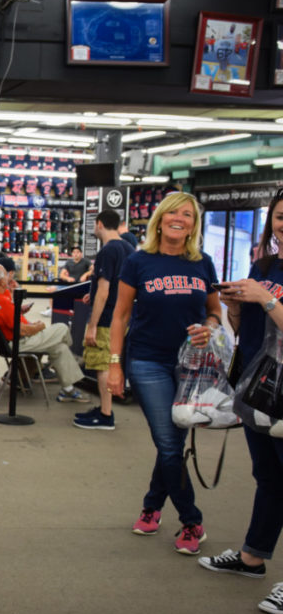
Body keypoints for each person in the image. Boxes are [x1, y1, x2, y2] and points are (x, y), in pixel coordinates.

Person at [108, 192, 220, 555]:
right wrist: (114, 365)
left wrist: (210, 326)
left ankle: (152, 506)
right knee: (170, 442)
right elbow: (121, 315)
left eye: (187, 214)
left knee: (170, 441)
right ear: (159, 218)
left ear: (193, 225)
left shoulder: (203, 263)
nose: (179, 218)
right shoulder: (139, 261)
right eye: (173, 212)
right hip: (148, 361)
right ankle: (192, 520)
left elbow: (214, 312)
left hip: (193, 367)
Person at [197, 189, 283, 614]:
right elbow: (245, 326)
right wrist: (234, 306)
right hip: (256, 385)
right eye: (281, 217)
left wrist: (266, 299)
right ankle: (252, 557)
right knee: (267, 476)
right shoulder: (265, 265)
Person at [0, 262, 87, 402]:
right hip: (19, 342)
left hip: (5, 342)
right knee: (62, 328)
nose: (10, 278)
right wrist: (39, 326)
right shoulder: (1, 302)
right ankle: (73, 359)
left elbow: (9, 318)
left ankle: (68, 390)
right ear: (2, 281)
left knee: (59, 347)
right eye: (6, 275)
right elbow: (22, 330)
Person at [75, 210, 134, 430]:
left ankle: (106, 414)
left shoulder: (107, 251)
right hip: (123, 318)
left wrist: (92, 326)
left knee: (102, 365)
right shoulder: (128, 249)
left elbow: (104, 291)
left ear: (99, 224)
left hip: (107, 319)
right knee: (110, 362)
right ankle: (103, 409)